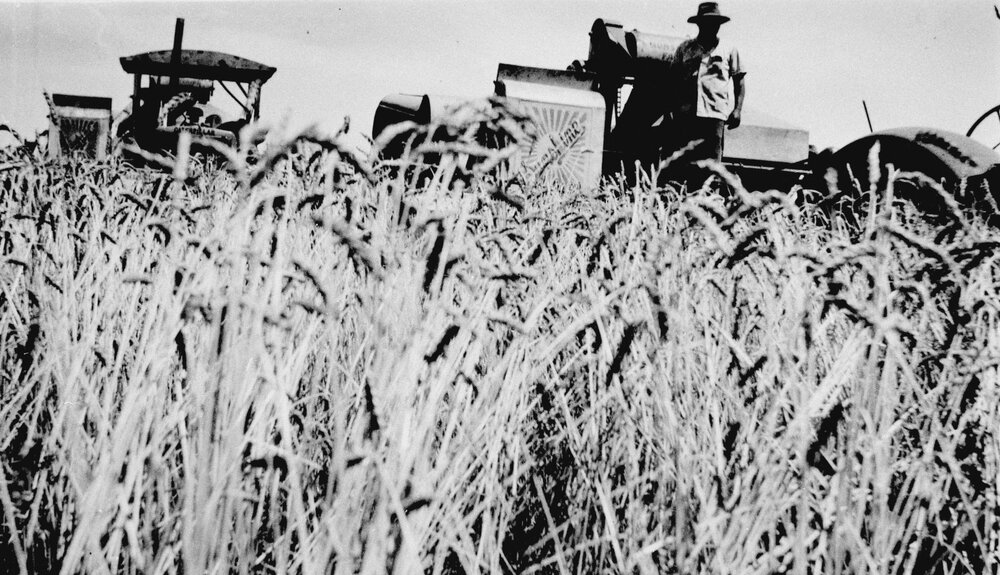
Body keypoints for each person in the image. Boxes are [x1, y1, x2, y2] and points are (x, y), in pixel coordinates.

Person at [669, 2, 746, 188]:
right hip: (687, 116)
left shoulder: (729, 49)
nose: (712, 26)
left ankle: (709, 207)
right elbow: (672, 82)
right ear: (699, 24)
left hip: (714, 116)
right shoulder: (684, 49)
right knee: (685, 164)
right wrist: (671, 110)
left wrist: (737, 110)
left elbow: (740, 82)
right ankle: (683, 207)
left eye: (716, 23)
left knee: (712, 168)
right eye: (708, 22)